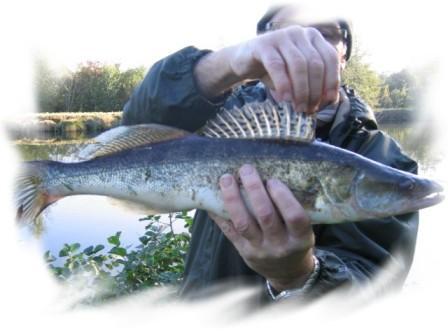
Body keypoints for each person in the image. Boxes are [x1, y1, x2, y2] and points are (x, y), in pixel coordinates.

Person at [121, 4, 418, 303]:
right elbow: (135, 126)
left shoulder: (386, 161)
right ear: (260, 45)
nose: (304, 43)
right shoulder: (217, 113)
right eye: (286, 32)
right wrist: (229, 63)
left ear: (344, 55)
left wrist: (299, 275)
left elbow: (371, 293)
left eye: (325, 34)